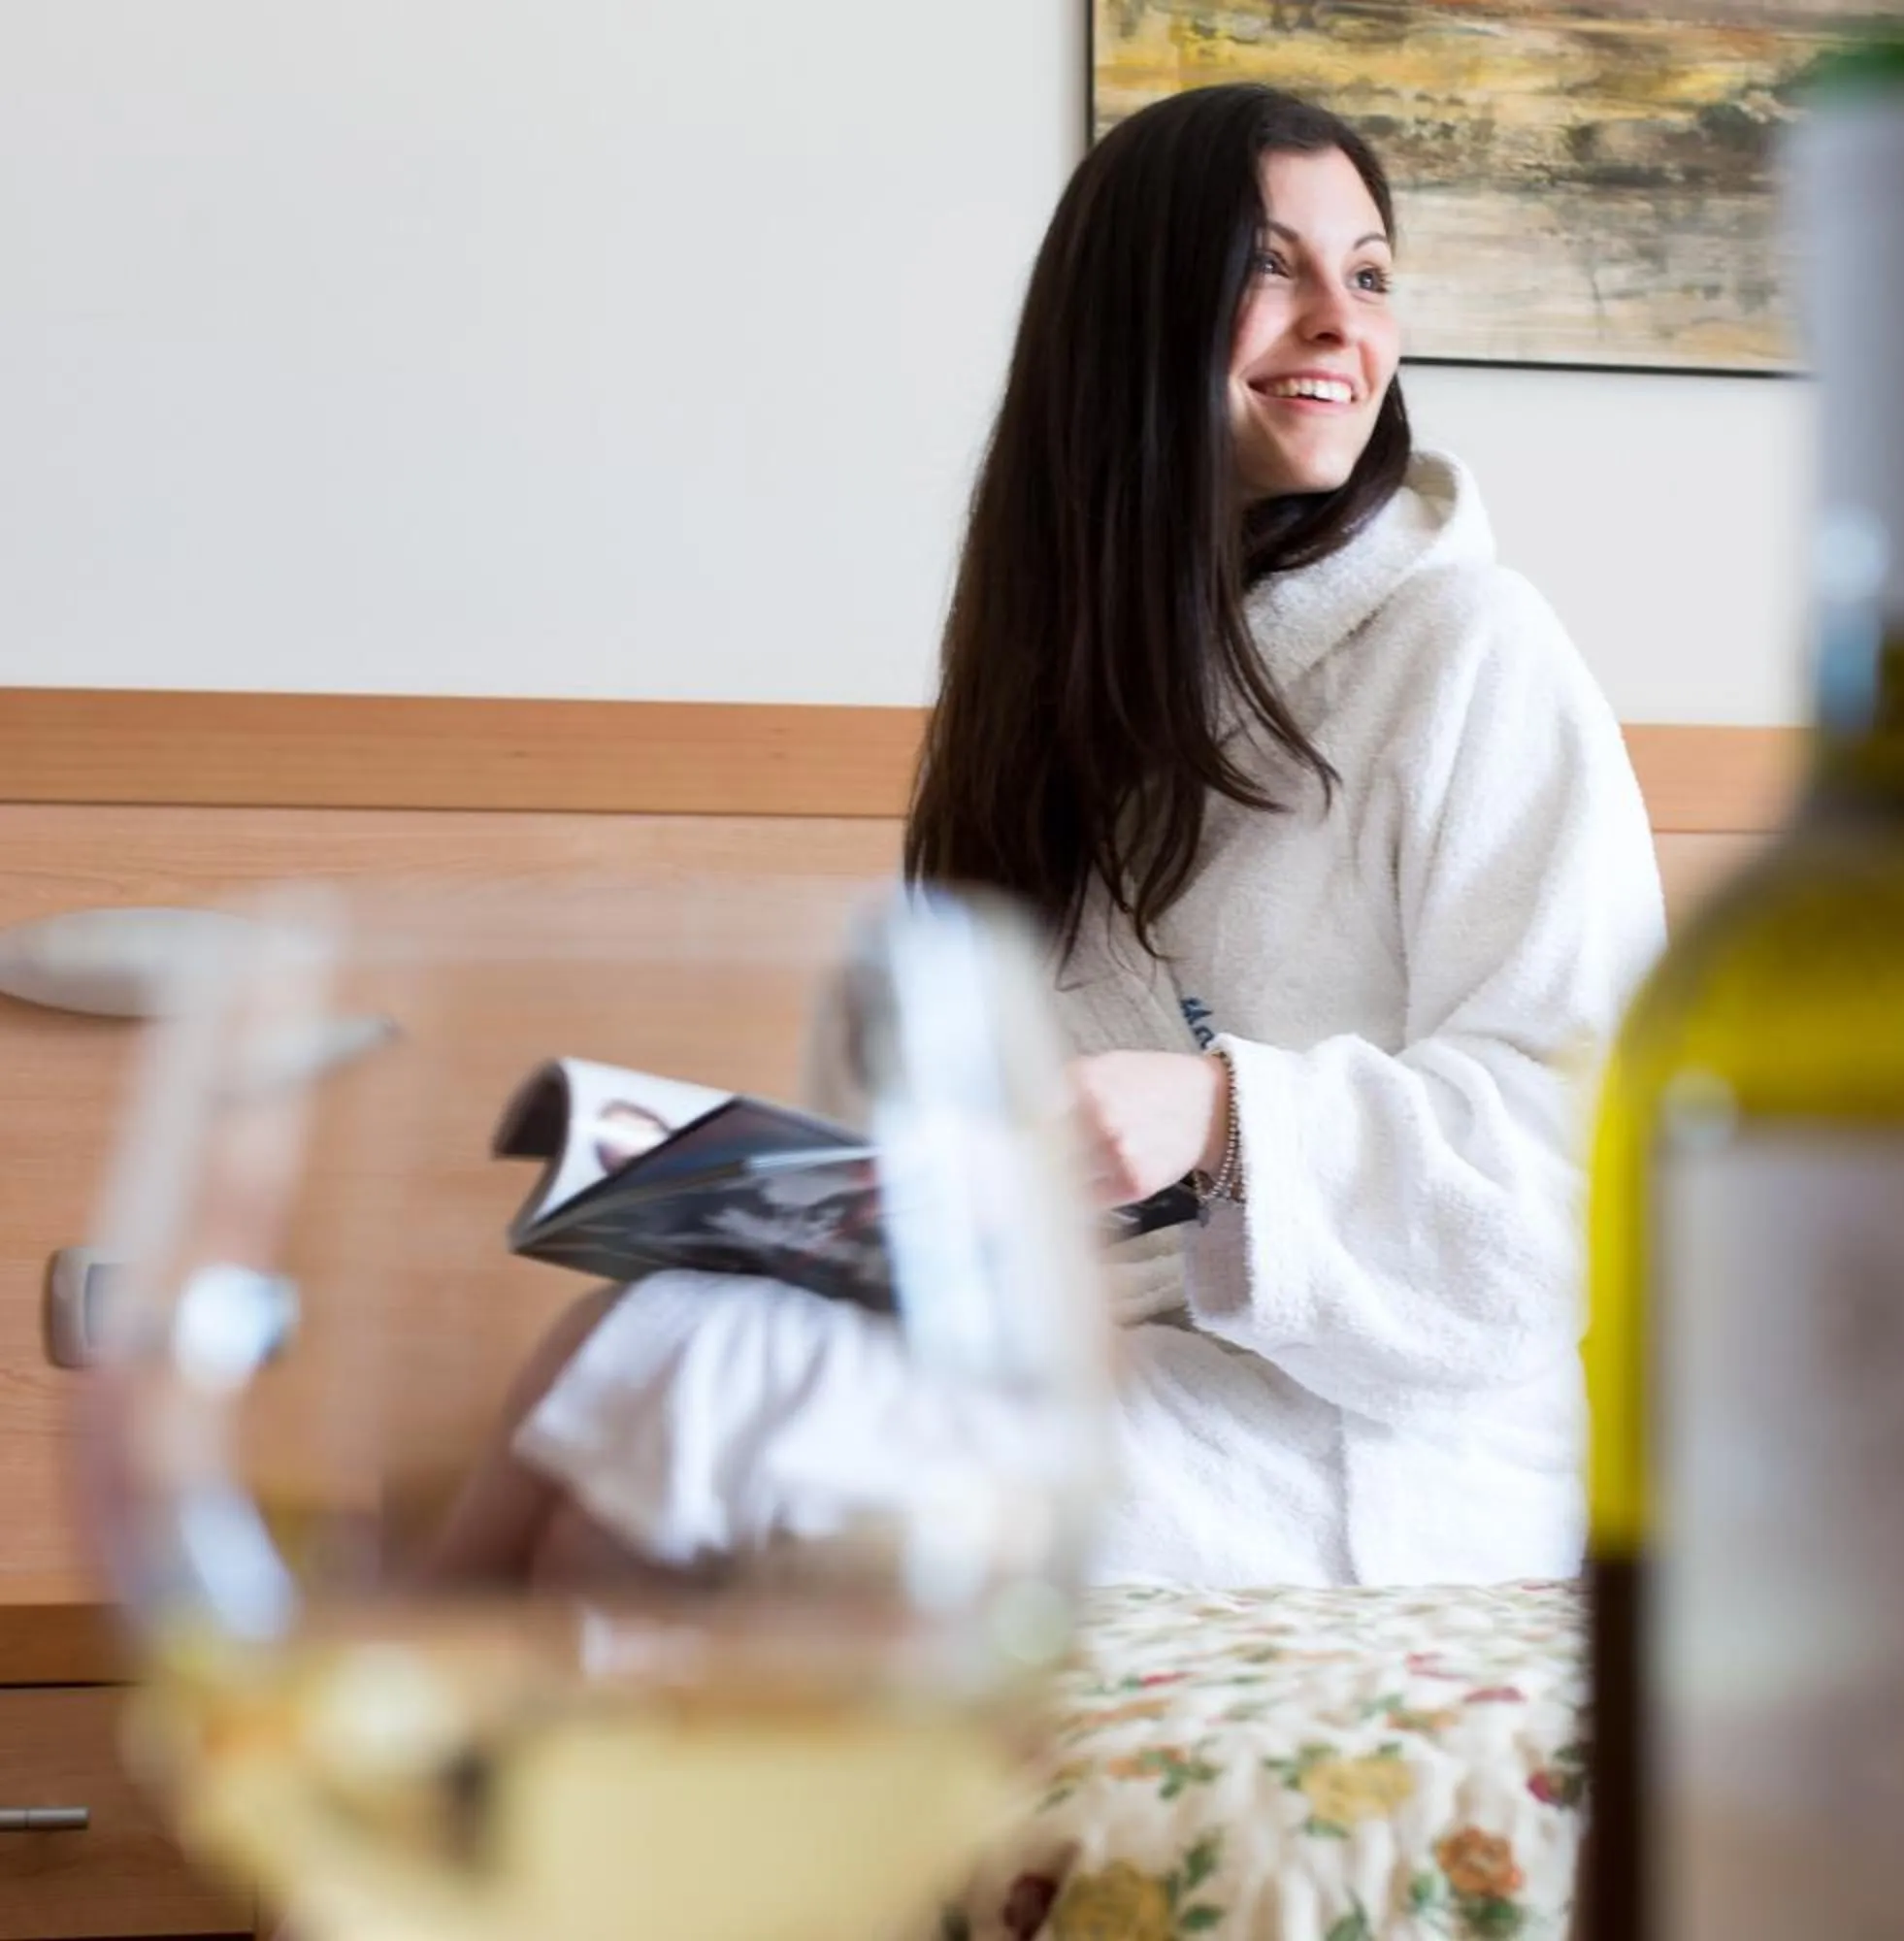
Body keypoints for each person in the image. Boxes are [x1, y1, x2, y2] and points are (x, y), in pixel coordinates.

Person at [423, 82, 1664, 1592]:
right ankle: (447, 1775)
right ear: (1130, 318)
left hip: (1380, 1457)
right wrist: (764, 1198)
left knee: (714, 1384)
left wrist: (1223, 1124)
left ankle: (410, 1770)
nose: (1342, 321)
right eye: (1273, 266)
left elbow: (1580, 1166)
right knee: (633, 1334)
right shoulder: (1055, 707)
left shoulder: (1477, 654)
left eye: (1371, 273)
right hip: (1081, 1355)